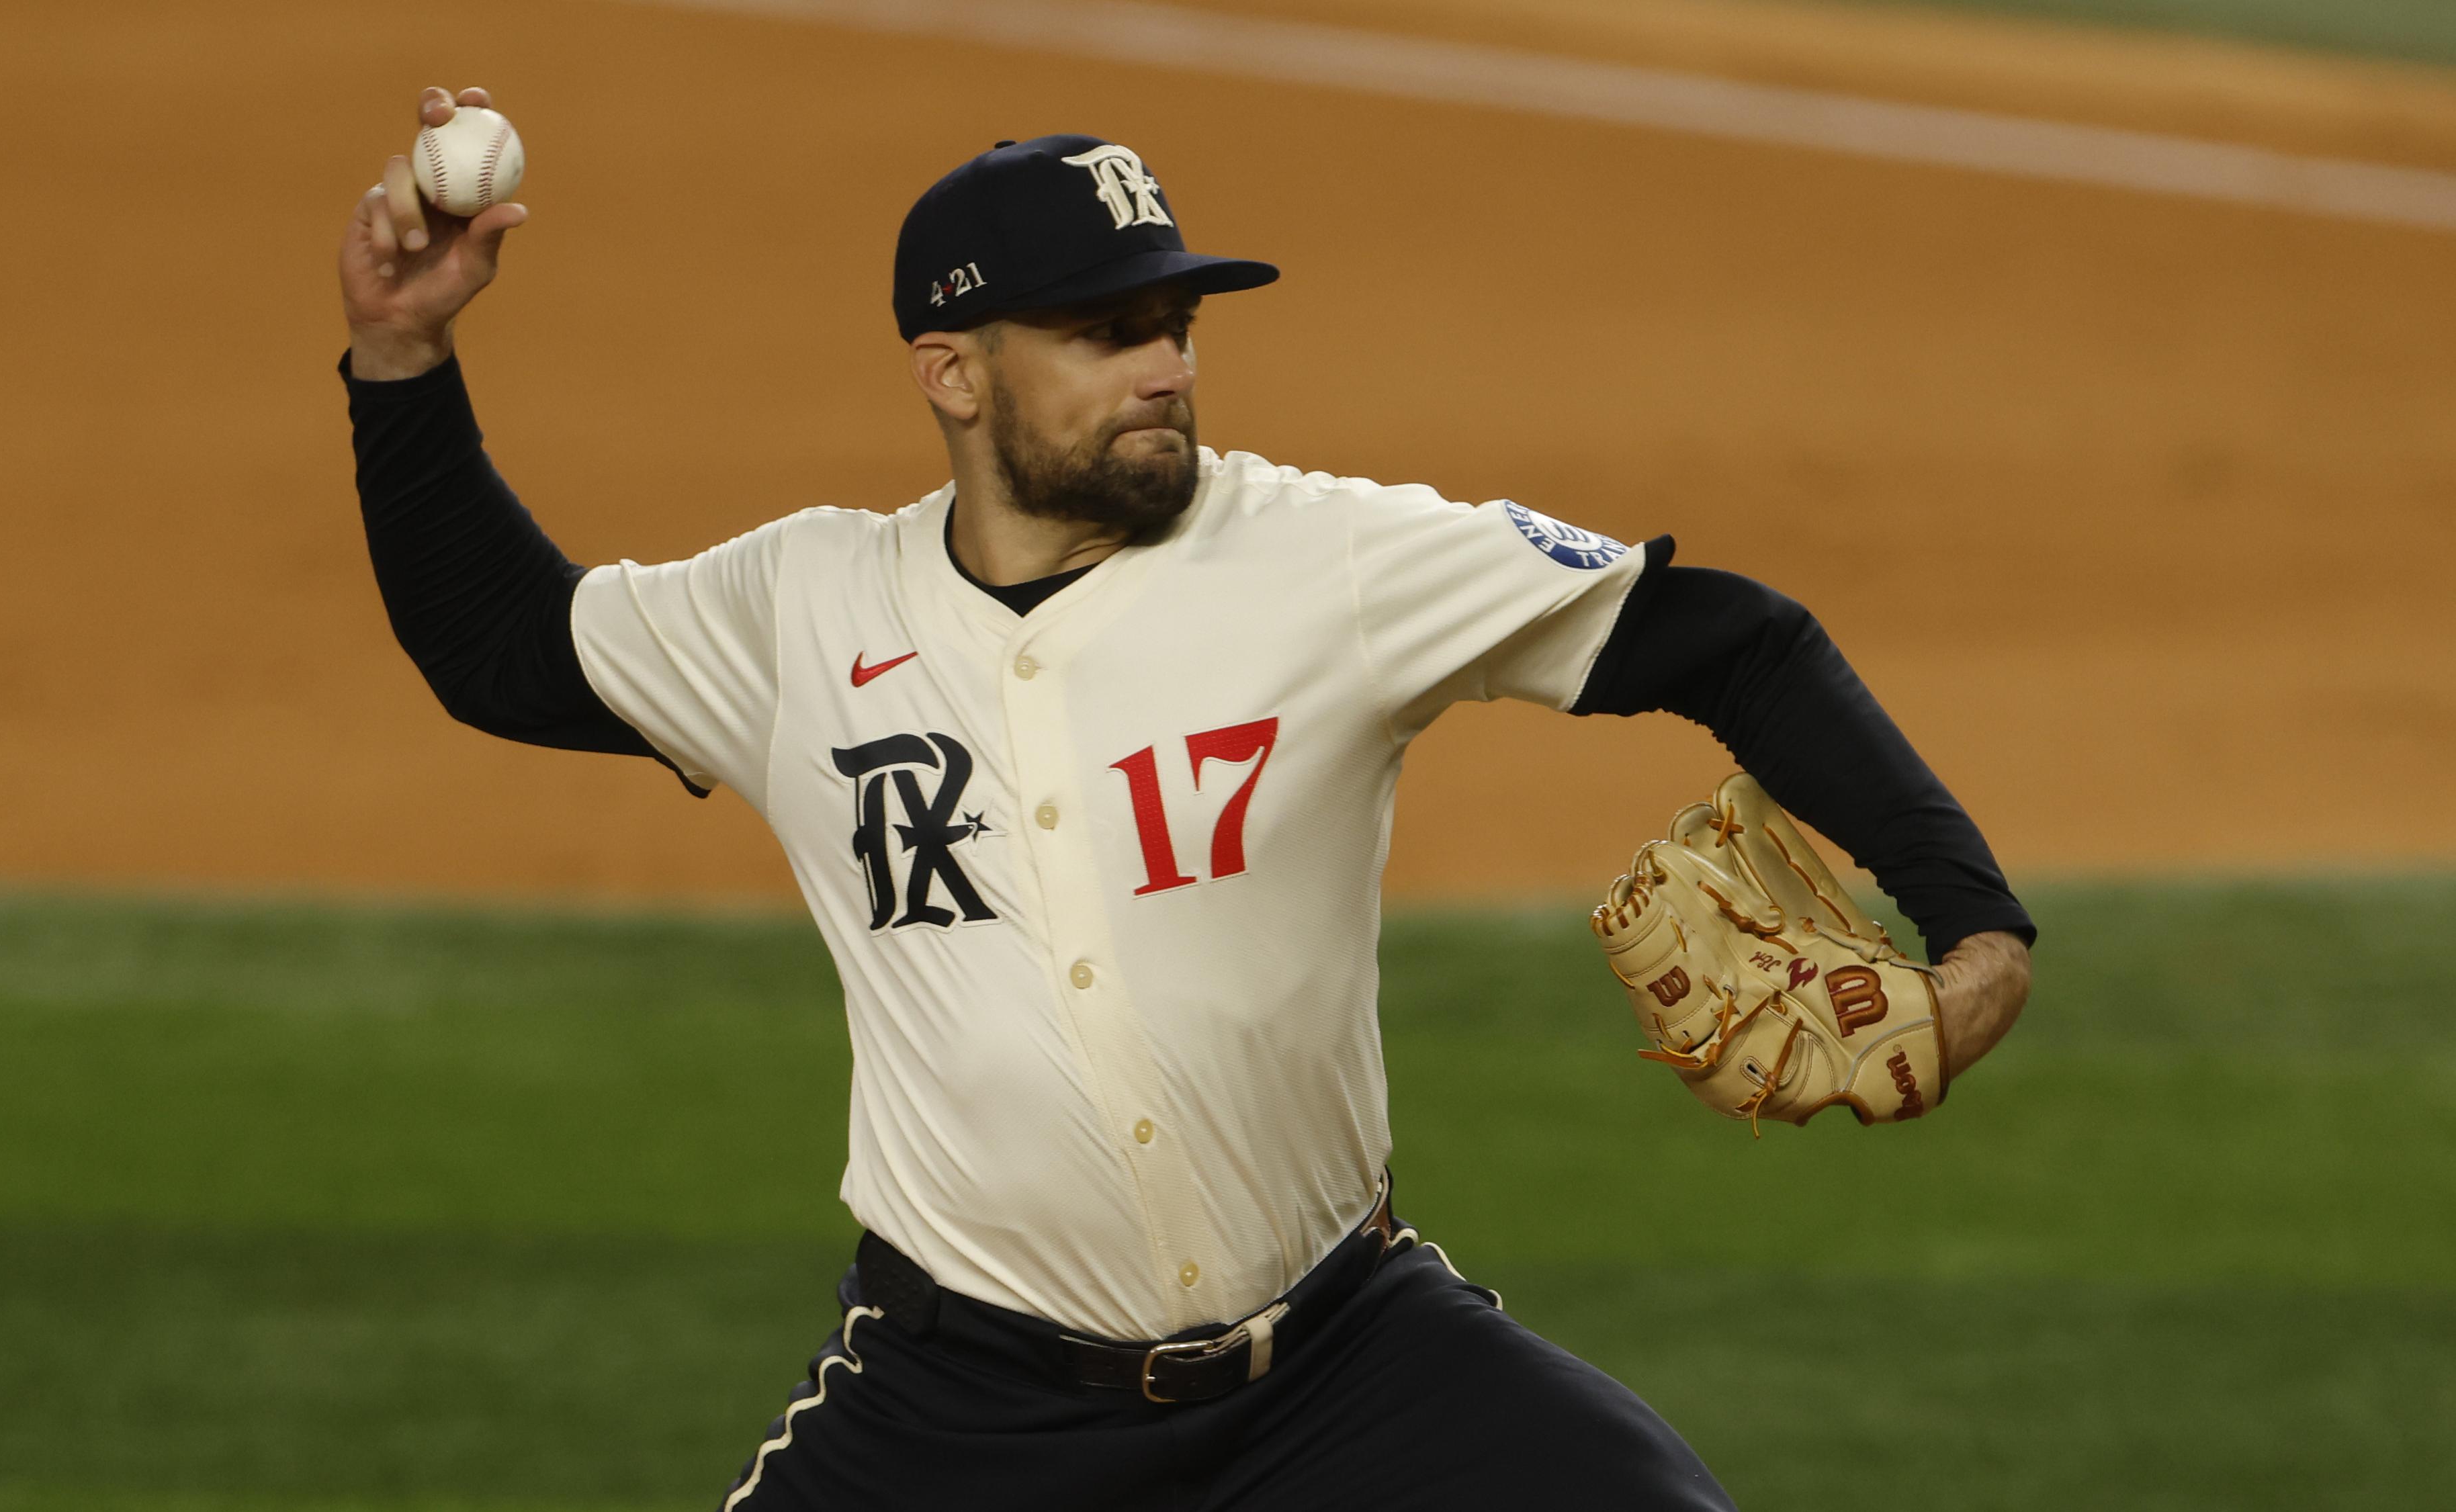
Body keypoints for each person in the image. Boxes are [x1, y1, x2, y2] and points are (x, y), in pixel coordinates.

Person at [338, 86, 2033, 1511]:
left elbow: (1735, 642)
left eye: (1174, 322)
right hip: (962, 1404)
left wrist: (1973, 935)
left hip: (1344, 1366)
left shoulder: (1326, 559)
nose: (1161, 365)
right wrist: (400, 358)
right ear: (953, 371)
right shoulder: (800, 613)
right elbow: (500, 646)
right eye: (1100, 332)